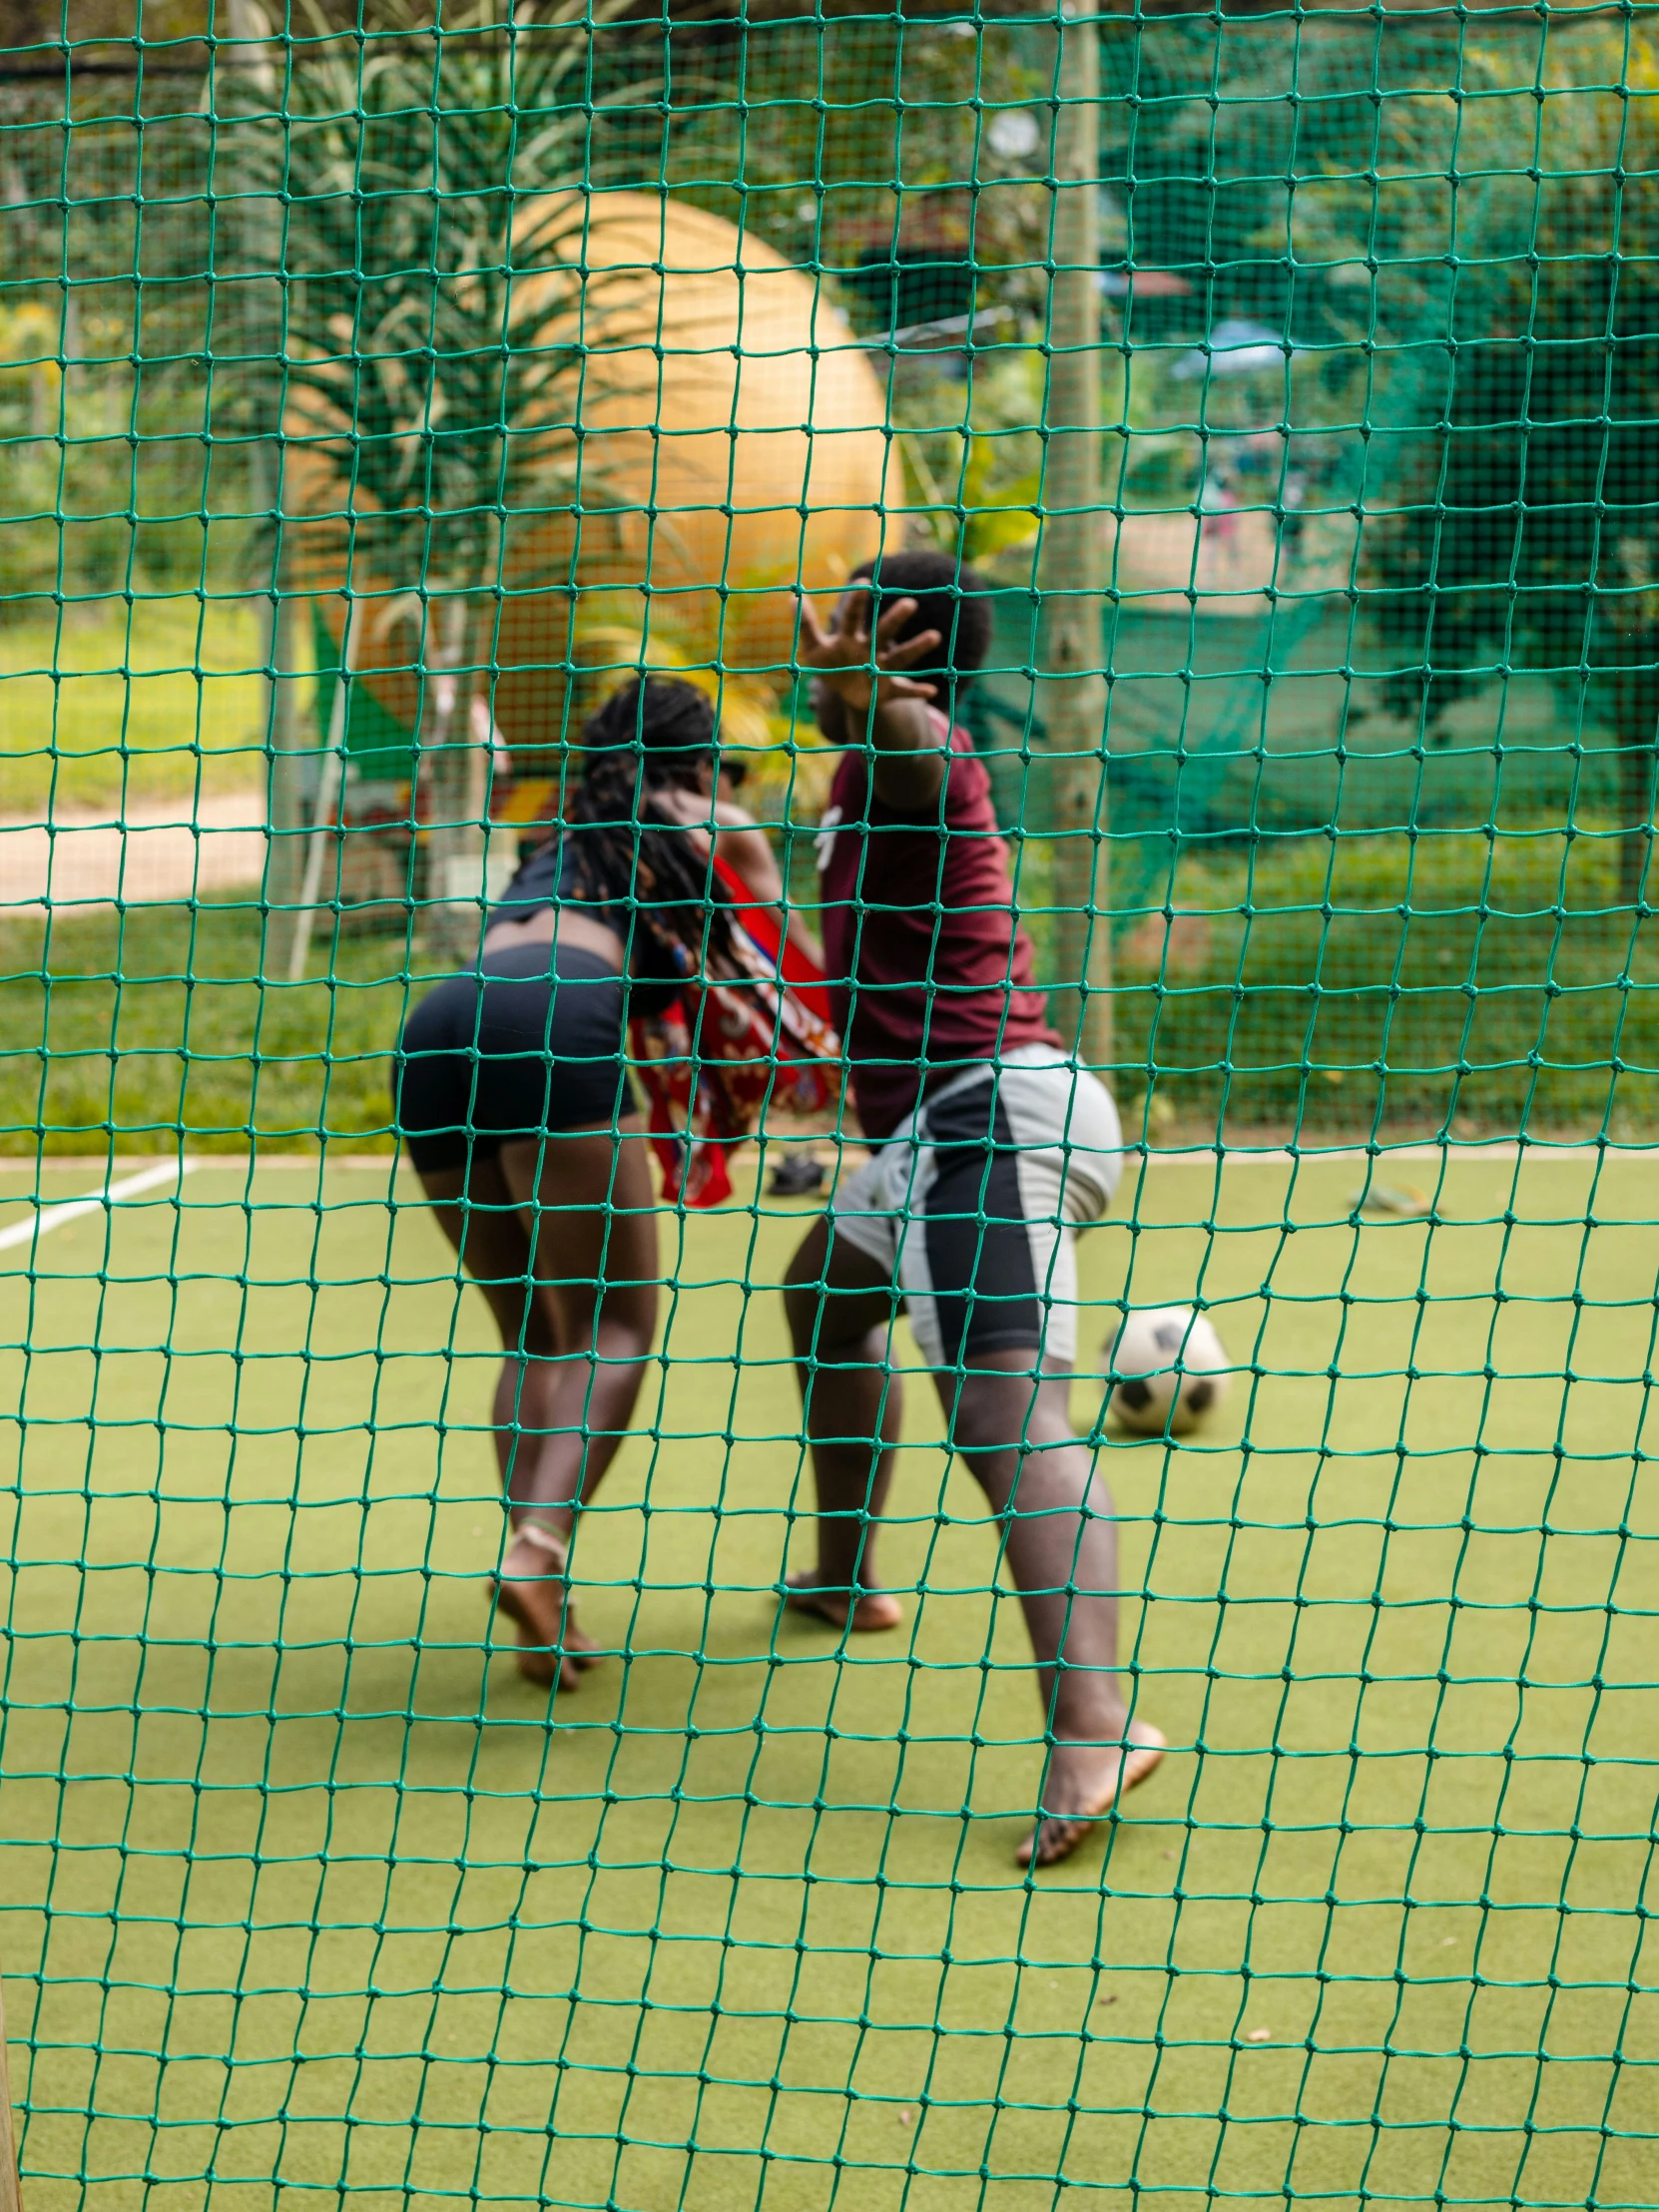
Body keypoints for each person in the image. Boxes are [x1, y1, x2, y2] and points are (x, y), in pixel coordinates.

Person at [784, 549, 1164, 1869]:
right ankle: (844, 1570)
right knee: (821, 1297)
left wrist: (876, 696)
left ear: (894, 645)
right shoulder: (850, 773)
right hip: (929, 1132)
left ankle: (1093, 1725)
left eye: (839, 627)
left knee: (1003, 1412)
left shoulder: (918, 748)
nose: (810, 645)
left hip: (990, 1112)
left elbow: (912, 745)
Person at [394, 676, 768, 1691]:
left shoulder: (563, 829)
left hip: (439, 1026)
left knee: (534, 1332)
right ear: (695, 762)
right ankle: (537, 1550)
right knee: (618, 1323)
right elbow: (779, 954)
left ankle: (539, 1611)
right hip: (553, 1020)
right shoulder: (699, 819)